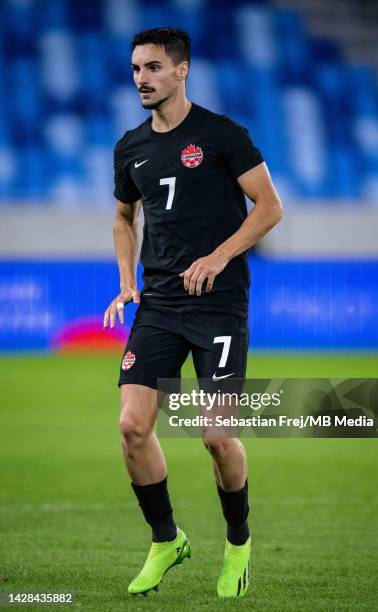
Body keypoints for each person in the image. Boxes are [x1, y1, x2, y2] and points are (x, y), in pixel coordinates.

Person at [103, 27, 283, 599]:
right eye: (135, 69)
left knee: (215, 435)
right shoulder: (130, 146)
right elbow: (123, 218)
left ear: (181, 70)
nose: (141, 78)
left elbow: (270, 207)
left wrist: (218, 255)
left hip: (219, 305)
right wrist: (127, 284)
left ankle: (237, 544)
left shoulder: (223, 135)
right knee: (132, 426)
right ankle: (166, 540)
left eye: (153, 67)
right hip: (158, 303)